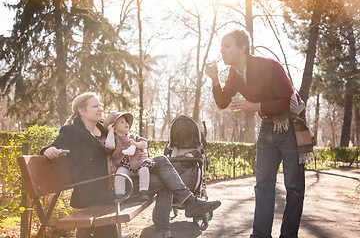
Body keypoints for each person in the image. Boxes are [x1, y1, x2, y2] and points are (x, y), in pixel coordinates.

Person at [41, 92, 221, 238]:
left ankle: (167, 225)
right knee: (164, 169)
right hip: (100, 191)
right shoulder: (72, 131)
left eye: (100, 105)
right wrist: (47, 151)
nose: (100, 108)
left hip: (118, 182)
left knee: (161, 163)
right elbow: (54, 145)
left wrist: (139, 154)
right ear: (81, 110)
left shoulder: (105, 130)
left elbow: (121, 149)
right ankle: (182, 211)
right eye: (95, 106)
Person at [205, 29, 305, 238]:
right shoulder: (234, 72)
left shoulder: (268, 65)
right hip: (268, 127)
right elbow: (223, 102)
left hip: (291, 126)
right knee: (263, 186)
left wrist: (255, 106)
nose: (221, 50)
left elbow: (287, 101)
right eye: (221, 46)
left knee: (294, 188)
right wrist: (215, 80)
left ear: (242, 48)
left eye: (227, 46)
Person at [104, 111, 153, 201]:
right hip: (124, 166)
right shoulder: (114, 138)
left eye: (126, 122)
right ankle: (120, 195)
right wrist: (110, 132)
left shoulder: (133, 136)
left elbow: (144, 144)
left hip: (138, 163)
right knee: (119, 175)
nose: (126, 123)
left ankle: (143, 191)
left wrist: (136, 144)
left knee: (145, 171)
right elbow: (109, 146)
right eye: (122, 122)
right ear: (114, 128)